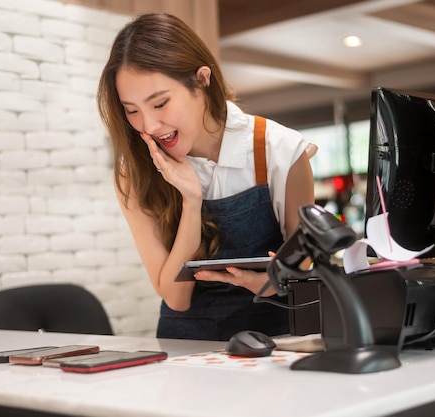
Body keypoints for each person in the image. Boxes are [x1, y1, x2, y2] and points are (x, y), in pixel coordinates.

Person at [97, 12, 316, 341]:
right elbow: (176, 297)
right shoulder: (136, 171)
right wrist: (191, 200)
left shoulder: (279, 149)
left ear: (201, 80)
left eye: (160, 103)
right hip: (184, 348)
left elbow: (303, 271)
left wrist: (273, 283)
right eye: (132, 110)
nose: (149, 126)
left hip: (277, 344)